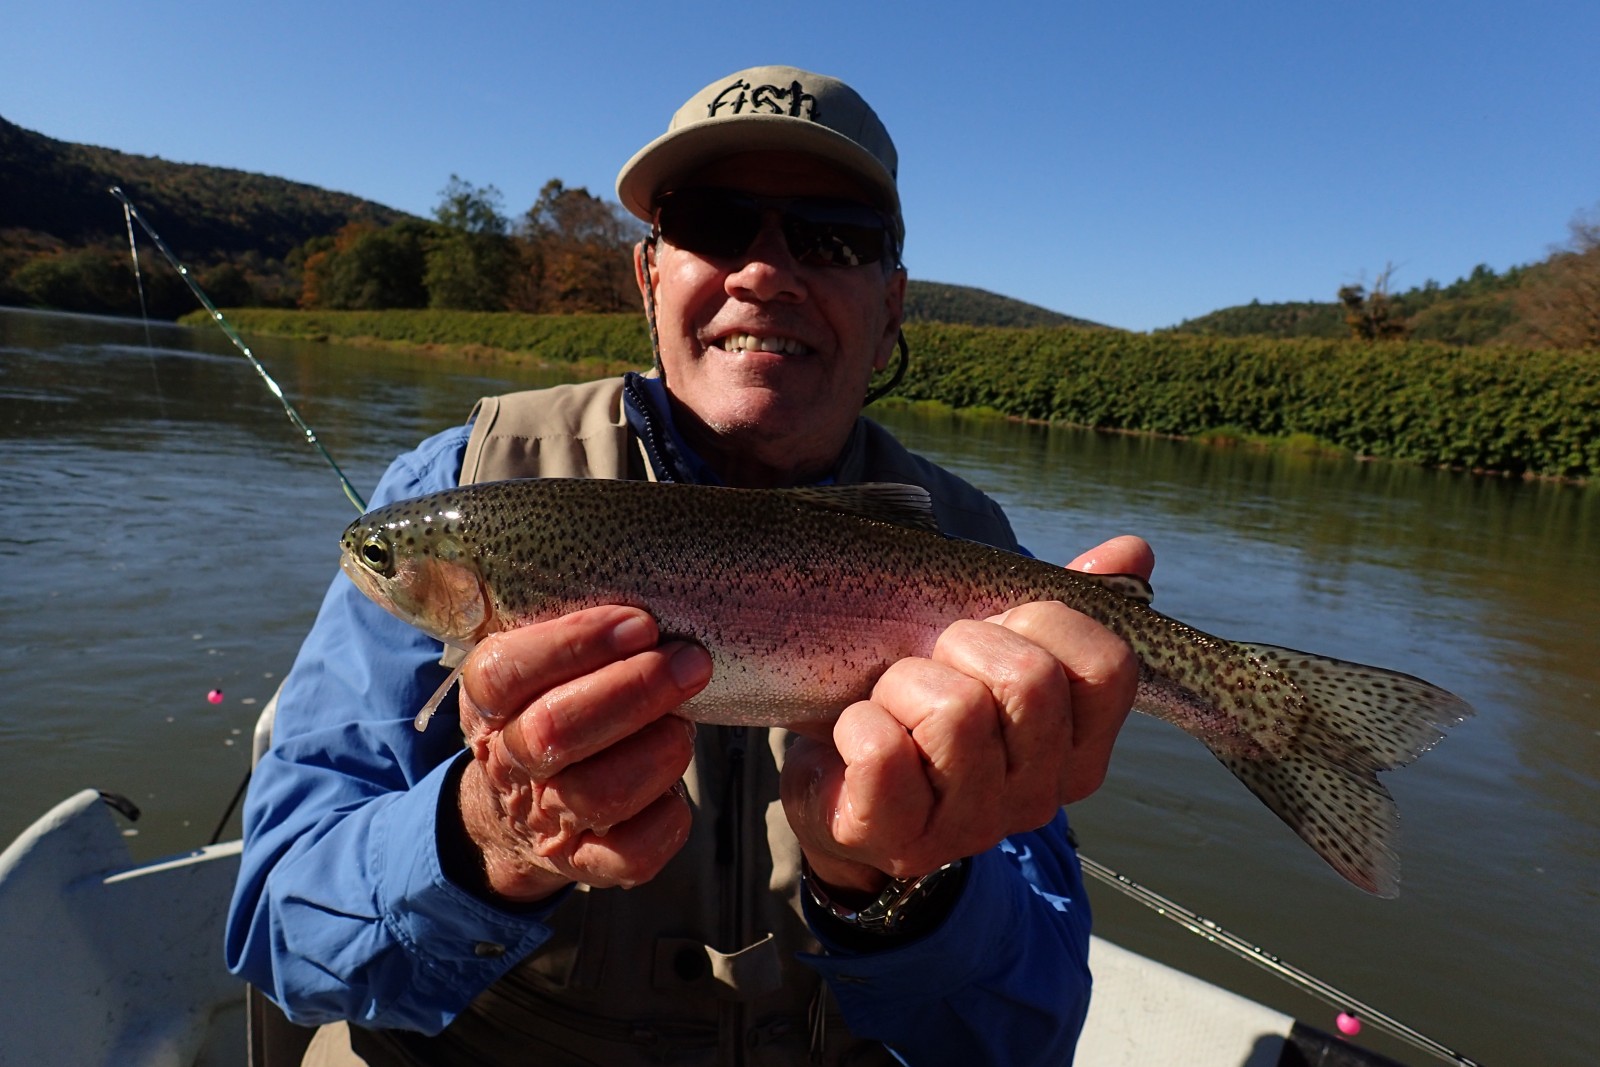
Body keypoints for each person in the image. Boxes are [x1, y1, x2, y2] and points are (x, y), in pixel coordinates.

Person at [227, 64, 1154, 1066]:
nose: (764, 269)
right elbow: (281, 930)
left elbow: (1027, 1032)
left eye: (829, 233)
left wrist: (894, 889)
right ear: (650, 273)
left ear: (891, 305)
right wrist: (491, 835)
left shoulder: (973, 553)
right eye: (714, 222)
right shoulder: (462, 485)